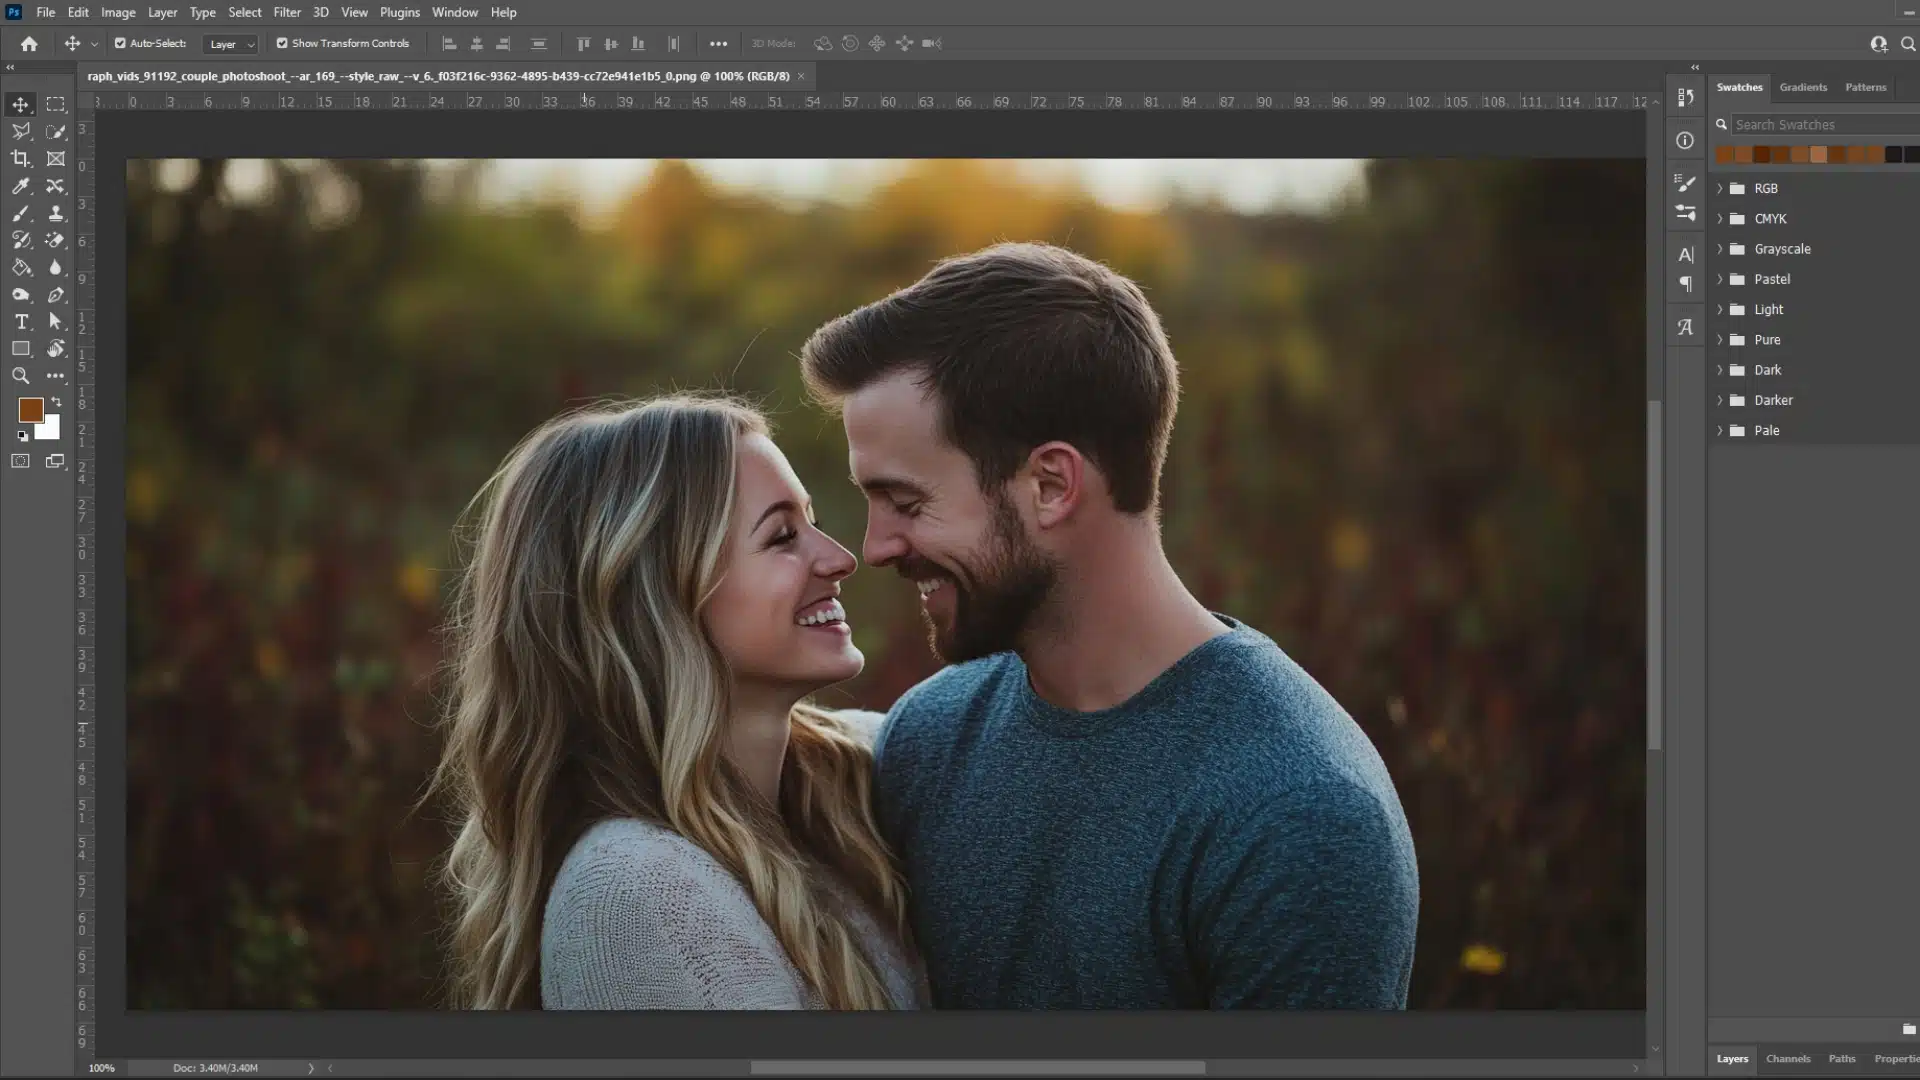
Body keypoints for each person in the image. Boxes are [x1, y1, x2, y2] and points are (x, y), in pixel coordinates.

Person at [799, 242, 1420, 1009]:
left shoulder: (1296, 815)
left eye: (907, 501)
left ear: (1052, 485)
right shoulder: (929, 741)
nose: (876, 546)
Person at [429, 395, 924, 1011]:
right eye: (781, 536)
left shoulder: (874, 772)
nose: (840, 558)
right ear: (654, 599)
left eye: (812, 521)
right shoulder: (636, 898)